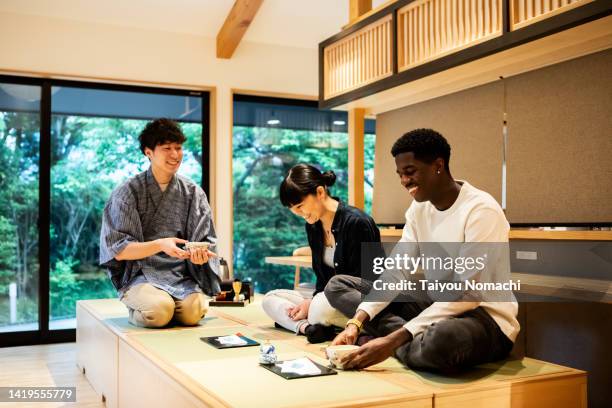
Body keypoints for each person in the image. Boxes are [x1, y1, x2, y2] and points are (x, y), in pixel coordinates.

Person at [326, 128, 519, 373]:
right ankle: (410, 340)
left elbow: (468, 294)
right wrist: (356, 322)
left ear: (438, 165)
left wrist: (392, 340)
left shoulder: (481, 210)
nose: (404, 181)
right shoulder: (418, 211)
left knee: (442, 340)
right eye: (400, 174)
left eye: (410, 172)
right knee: (338, 285)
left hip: (485, 319)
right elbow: (396, 272)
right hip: (435, 306)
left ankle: (396, 341)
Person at [99, 118, 220, 328]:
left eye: (178, 148)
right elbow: (117, 250)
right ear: (149, 152)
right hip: (140, 274)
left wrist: (200, 258)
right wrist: (160, 245)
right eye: (166, 148)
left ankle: (169, 308)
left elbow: (204, 240)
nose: (175, 155)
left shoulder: (193, 193)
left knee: (194, 312)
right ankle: (139, 310)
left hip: (178, 274)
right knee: (160, 310)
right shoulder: (127, 193)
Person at [262, 163, 382, 343]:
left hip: (359, 303)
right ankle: (308, 328)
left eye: (300, 206)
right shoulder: (313, 226)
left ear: (320, 192)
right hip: (325, 300)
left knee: (319, 309)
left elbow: (367, 281)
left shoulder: (358, 223)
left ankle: (329, 325)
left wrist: (314, 302)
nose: (299, 214)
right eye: (294, 210)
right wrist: (311, 300)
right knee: (270, 299)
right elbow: (321, 281)